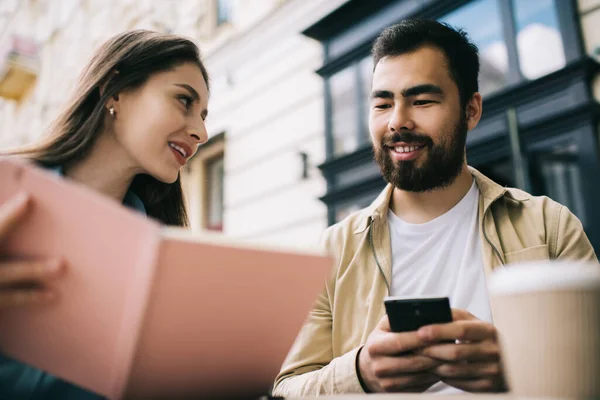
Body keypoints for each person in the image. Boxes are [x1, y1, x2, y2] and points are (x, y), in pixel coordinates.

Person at [273, 19, 598, 396]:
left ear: (471, 110)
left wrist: (520, 366)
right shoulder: (331, 253)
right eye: (382, 103)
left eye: (422, 101)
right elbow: (287, 389)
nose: (397, 121)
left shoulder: (549, 226)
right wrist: (361, 373)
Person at [0, 29, 210, 399]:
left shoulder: (164, 251)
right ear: (115, 91)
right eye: (183, 100)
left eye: (204, 116)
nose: (201, 132)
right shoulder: (8, 188)